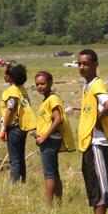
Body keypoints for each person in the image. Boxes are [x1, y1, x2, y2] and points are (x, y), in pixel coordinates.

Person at [77, 49, 108, 214]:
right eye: (79, 64)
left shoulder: (96, 85)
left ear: (95, 65)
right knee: (92, 185)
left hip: (97, 143)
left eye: (86, 63)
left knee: (101, 187)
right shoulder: (87, 86)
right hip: (88, 143)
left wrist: (98, 120)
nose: (82, 67)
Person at [34, 71, 75, 203]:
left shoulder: (52, 99)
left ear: (50, 83)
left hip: (49, 140)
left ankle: (48, 205)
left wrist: (44, 137)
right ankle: (58, 202)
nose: (40, 86)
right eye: (37, 84)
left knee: (49, 174)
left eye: (43, 83)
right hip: (49, 139)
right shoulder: (47, 99)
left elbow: (58, 119)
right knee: (54, 172)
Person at [0, 64, 37, 183]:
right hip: (22, 126)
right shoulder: (22, 89)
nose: (4, 76)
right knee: (20, 157)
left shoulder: (12, 91)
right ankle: (23, 181)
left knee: (14, 158)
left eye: (5, 74)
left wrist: (4, 128)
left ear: (10, 77)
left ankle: (14, 183)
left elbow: (10, 109)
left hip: (14, 127)